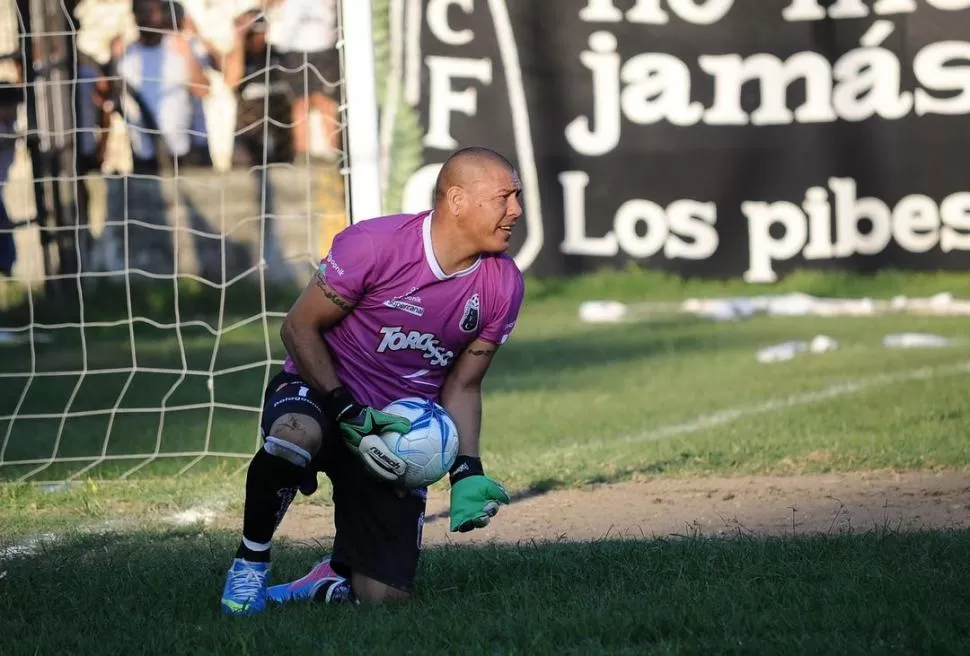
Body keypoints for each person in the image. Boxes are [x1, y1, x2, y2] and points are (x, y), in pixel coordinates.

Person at [220, 146, 526, 614]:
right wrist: (345, 408)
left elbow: (463, 386)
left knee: (385, 600)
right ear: (458, 200)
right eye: (505, 197)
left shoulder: (502, 284)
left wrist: (467, 468)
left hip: (396, 433)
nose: (516, 211)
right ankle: (250, 564)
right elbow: (298, 328)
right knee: (293, 436)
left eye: (517, 197)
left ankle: (333, 578)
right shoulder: (375, 244)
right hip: (323, 396)